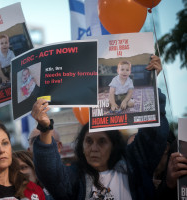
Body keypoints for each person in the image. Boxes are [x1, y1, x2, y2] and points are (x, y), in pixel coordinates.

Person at [31, 56, 170, 200]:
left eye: (102, 141)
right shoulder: (74, 179)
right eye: (89, 141)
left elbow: (154, 135)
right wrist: (45, 128)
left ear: (113, 145)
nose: (94, 148)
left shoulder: (135, 164)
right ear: (81, 146)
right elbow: (50, 173)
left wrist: (149, 81)